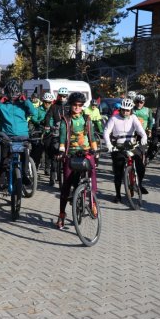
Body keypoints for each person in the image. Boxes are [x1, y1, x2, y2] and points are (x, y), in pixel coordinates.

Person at [55, 92, 98, 228]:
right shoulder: (66, 119)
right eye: (75, 105)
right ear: (71, 105)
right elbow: (62, 137)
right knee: (66, 185)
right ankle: (62, 214)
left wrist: (95, 150)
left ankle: (92, 202)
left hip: (85, 152)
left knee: (92, 173)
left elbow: (92, 136)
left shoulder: (87, 118)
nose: (77, 107)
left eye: (80, 105)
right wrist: (61, 150)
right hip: (70, 154)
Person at [0, 79, 37, 182]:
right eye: (11, 95)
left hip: (22, 135)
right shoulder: (2, 104)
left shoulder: (23, 103)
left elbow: (34, 112)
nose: (14, 97)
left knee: (25, 155)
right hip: (7, 136)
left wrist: (26, 100)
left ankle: (24, 175)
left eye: (16, 95)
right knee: (5, 158)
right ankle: (2, 181)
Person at [104, 98, 149, 203]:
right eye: (123, 110)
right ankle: (118, 195)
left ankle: (139, 184)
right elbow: (106, 132)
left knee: (141, 167)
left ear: (131, 110)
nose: (125, 112)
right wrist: (109, 144)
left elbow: (140, 129)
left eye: (128, 110)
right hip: (118, 146)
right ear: (120, 109)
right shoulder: (114, 118)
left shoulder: (133, 117)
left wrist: (144, 137)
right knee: (118, 172)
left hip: (131, 145)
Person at [43, 87, 70, 187]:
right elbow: (48, 116)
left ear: (67, 97)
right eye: (61, 96)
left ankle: (67, 177)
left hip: (68, 133)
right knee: (54, 155)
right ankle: (52, 178)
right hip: (56, 132)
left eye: (64, 96)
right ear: (58, 96)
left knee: (68, 155)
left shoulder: (69, 106)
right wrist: (46, 125)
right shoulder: (54, 106)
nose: (62, 98)